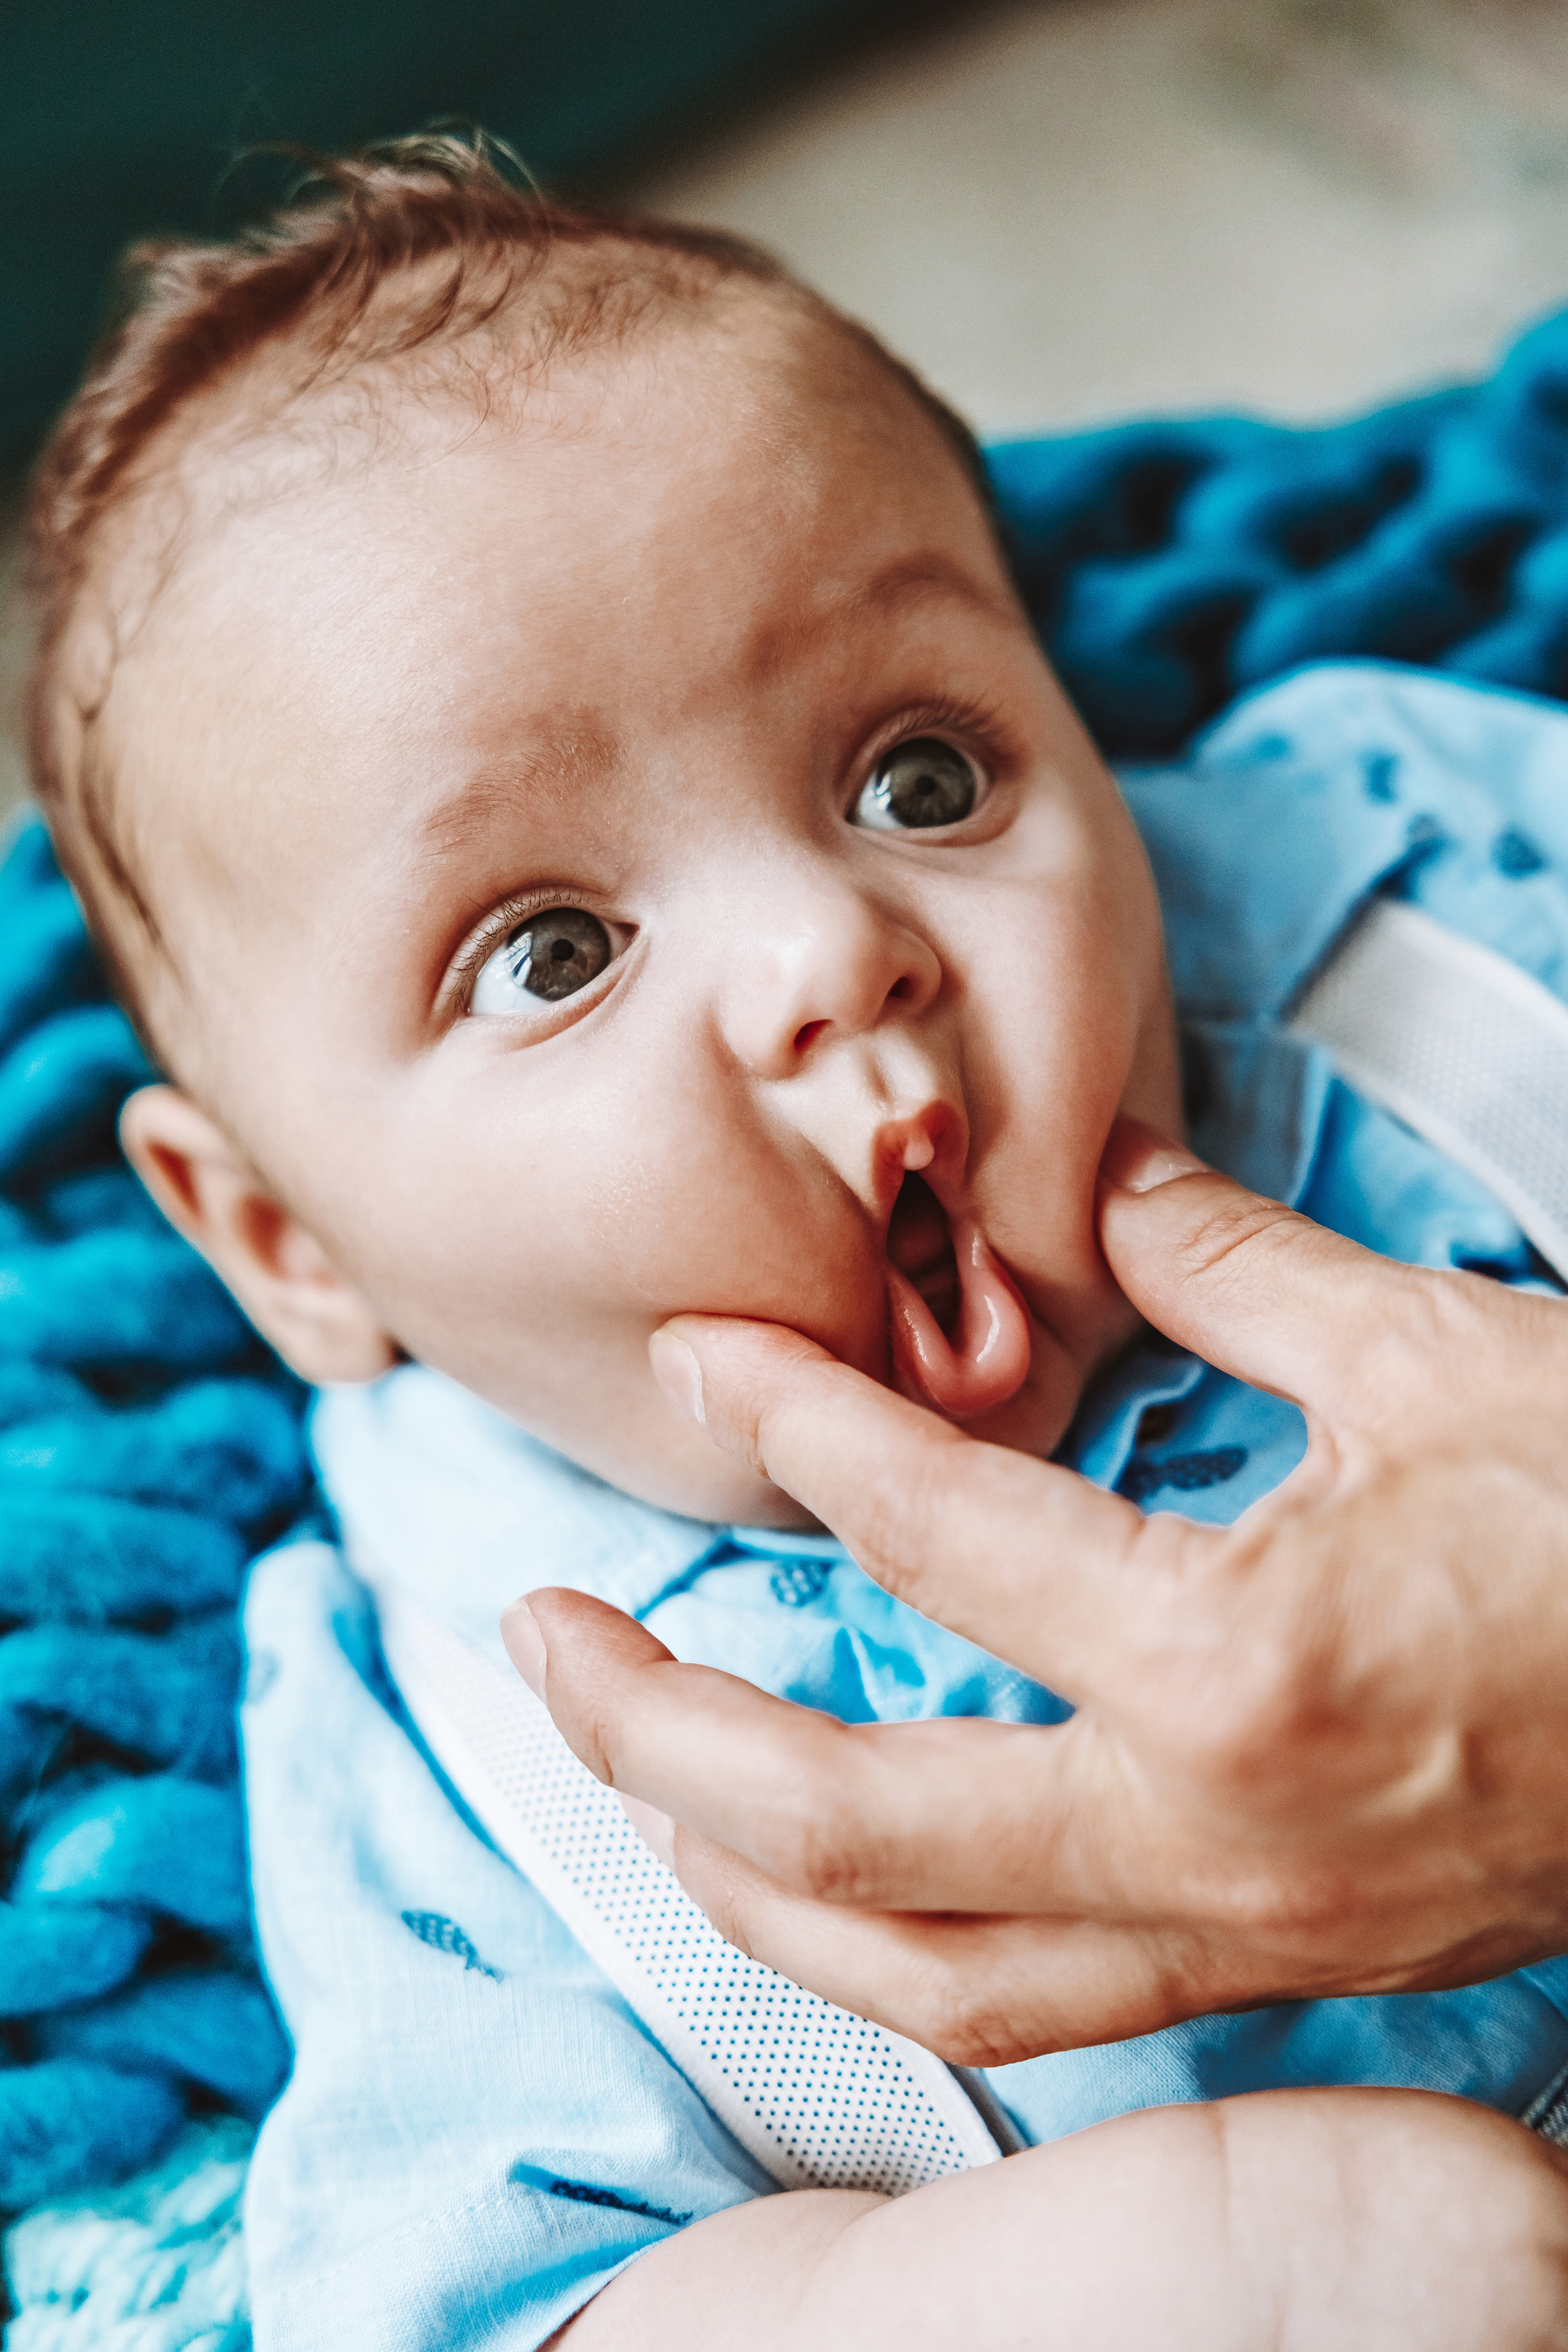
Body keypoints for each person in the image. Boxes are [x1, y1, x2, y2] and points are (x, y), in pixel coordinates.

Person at [24, 132, 1568, 2350]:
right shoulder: (469, 1698)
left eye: (923, 778)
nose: (834, 957)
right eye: (550, 950)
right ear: (290, 1242)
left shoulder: (1421, 908)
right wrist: (1226, 2267)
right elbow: (502, 2300)